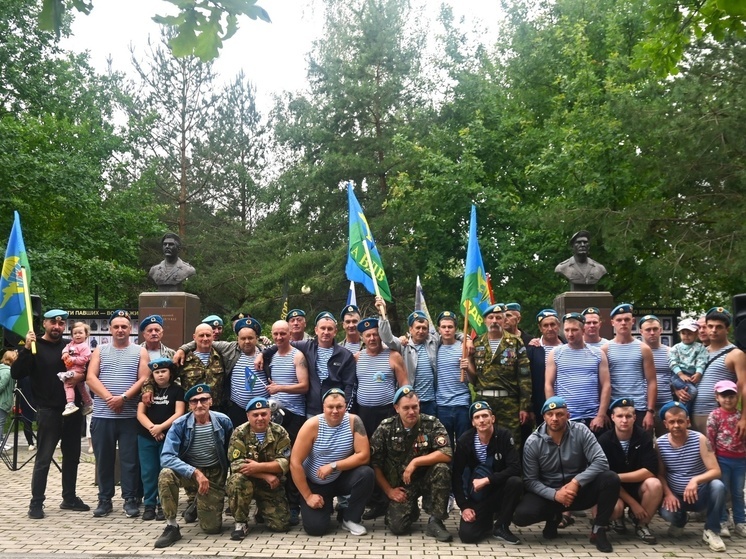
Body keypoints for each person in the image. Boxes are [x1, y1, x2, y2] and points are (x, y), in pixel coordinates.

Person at [513, 396, 620, 552]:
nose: (554, 418)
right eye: (550, 414)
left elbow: (601, 462)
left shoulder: (581, 431)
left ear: (568, 415)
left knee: (610, 478)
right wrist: (555, 495)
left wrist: (576, 482)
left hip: (579, 491)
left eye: (560, 414)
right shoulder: (533, 441)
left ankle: (599, 529)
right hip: (549, 494)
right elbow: (530, 480)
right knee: (521, 516)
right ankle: (553, 517)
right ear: (544, 417)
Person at [11, 309, 90, 519]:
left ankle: (69, 498)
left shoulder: (70, 345)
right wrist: (26, 349)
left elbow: (88, 369)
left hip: (73, 410)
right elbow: (16, 373)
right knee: (44, 458)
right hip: (48, 411)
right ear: (44, 324)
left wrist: (81, 376)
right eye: (53, 323)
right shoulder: (35, 346)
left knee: (72, 456)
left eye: (61, 323)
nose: (57, 327)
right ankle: (36, 502)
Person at [86, 309, 150, 518]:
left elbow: (143, 379)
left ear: (130, 329)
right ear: (111, 329)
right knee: (103, 459)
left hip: (129, 416)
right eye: (116, 326)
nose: (120, 330)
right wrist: (109, 399)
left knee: (130, 460)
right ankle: (104, 499)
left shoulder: (140, 351)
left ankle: (130, 499)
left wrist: (122, 398)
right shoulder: (100, 351)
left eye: (124, 326)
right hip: (103, 415)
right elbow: (91, 378)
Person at [369, 386, 454, 541]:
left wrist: (416, 461)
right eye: (406, 408)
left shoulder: (431, 423)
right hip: (403, 486)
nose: (411, 412)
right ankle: (411, 510)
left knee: (442, 469)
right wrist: (389, 491)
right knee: (397, 527)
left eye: (415, 407)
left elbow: (446, 453)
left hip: (426, 480)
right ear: (396, 408)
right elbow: (375, 464)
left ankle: (436, 521)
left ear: (419, 405)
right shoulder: (386, 428)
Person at [154, 384, 233, 548]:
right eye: (194, 401)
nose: (199, 405)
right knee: (166, 474)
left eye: (203, 400)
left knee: (211, 529)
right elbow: (166, 457)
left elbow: (231, 454)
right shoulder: (179, 425)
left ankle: (197, 504)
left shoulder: (224, 422)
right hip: (190, 474)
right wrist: (195, 472)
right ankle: (172, 526)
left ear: (210, 401)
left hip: (214, 475)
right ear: (189, 405)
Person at [290, 388, 374, 536]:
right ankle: (323, 506)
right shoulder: (311, 425)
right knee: (315, 529)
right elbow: (295, 463)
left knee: (366, 473)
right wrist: (308, 496)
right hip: (316, 483)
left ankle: (350, 519)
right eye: (330, 407)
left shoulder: (354, 421)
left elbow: (364, 456)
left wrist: (334, 466)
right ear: (323, 407)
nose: (335, 411)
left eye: (339, 407)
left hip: (339, 477)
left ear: (345, 406)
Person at [657, 401, 727, 552]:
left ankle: (712, 531)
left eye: (680, 421)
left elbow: (716, 470)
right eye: (672, 422)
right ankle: (680, 521)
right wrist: (668, 494)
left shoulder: (700, 439)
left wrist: (695, 480)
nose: (676, 425)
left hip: (700, 494)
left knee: (718, 485)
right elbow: (660, 474)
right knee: (667, 512)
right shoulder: (660, 444)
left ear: (688, 422)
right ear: (665, 424)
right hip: (676, 497)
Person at [175, 318, 267, 428]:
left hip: (259, 409)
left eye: (250, 338)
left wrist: (264, 352)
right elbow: (204, 341)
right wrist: (182, 349)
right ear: (237, 339)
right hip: (230, 409)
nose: (247, 341)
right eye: (243, 338)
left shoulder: (266, 352)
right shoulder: (229, 349)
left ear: (257, 338)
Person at [260, 312, 356, 417]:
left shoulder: (345, 355)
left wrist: (345, 409)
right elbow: (282, 342)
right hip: (312, 409)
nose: (326, 332)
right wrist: (262, 354)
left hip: (335, 410)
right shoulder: (307, 346)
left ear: (335, 332)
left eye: (330, 329)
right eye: (322, 328)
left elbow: (349, 386)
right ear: (316, 330)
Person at [452, 401, 523, 544]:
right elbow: (456, 476)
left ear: (493, 419)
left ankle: (501, 526)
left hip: (500, 491)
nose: (482, 420)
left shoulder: (503, 435)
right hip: (478, 495)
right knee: (467, 536)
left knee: (516, 482)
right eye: (477, 417)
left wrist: (488, 480)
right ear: (472, 422)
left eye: (485, 416)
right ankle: (486, 522)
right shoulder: (465, 441)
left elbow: (515, 468)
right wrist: (464, 506)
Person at [226, 397, 292, 540]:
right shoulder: (240, 433)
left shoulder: (279, 432)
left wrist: (257, 467)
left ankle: (261, 510)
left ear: (270, 414)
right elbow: (236, 464)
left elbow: (284, 462)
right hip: (248, 481)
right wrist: (265, 474)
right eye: (255, 415)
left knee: (281, 525)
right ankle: (241, 523)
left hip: (271, 485)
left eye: (264, 414)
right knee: (236, 480)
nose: (260, 418)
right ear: (248, 416)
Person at [598, 398, 662, 544]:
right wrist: (633, 503)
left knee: (654, 484)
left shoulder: (644, 437)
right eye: (620, 416)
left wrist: (616, 477)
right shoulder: (604, 440)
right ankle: (617, 519)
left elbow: (650, 471)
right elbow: (603, 478)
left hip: (637, 485)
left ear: (635, 417)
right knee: (615, 509)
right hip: (614, 489)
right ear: (612, 417)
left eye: (628, 416)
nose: (624, 420)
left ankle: (641, 525)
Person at [265, 319, 310, 525]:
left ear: (290, 334)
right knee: (276, 458)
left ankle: (294, 505)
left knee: (292, 460)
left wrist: (280, 388)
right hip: (275, 416)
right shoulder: (271, 356)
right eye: (276, 334)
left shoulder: (297, 356)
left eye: (283, 333)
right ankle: (274, 503)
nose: (279, 337)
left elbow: (304, 386)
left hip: (295, 415)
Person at [471, 303, 531, 446]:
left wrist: (524, 406)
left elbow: (525, 377)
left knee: (511, 443)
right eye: (491, 317)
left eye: (498, 317)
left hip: (509, 402)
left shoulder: (515, 342)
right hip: (484, 401)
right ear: (485, 321)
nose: (494, 321)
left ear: (504, 321)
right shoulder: (477, 342)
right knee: (484, 442)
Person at [136, 358, 185, 522]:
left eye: (163, 371)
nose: (160, 375)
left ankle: (163, 505)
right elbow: (140, 413)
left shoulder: (177, 390)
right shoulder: (147, 391)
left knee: (165, 471)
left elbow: (179, 413)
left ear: (170, 373)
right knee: (148, 472)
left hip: (168, 437)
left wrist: (161, 428)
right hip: (146, 437)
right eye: (157, 372)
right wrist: (153, 429)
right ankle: (149, 504)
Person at [545, 312, 610, 434]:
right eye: (567, 330)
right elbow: (548, 384)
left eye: (574, 330)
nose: (570, 334)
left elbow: (606, 385)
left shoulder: (598, 354)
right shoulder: (555, 353)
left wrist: (601, 415)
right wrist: (553, 412)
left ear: (583, 330)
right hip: (566, 417)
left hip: (592, 418)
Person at [689, 307, 746, 435]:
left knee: (718, 454)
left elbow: (744, 387)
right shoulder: (699, 351)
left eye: (719, 327)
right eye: (710, 326)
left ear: (727, 329)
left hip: (720, 415)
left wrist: (744, 418)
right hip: (693, 413)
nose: (714, 330)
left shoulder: (735, 354)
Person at [602, 303, 657, 431]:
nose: (623, 323)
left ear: (632, 321)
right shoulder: (605, 349)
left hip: (638, 408)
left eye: (627, 320)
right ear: (612, 323)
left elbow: (652, 382)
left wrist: (650, 411)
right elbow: (602, 383)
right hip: (614, 408)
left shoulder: (644, 349)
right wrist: (603, 411)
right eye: (619, 320)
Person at [706, 380, 746, 538]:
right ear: (717, 397)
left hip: (740, 460)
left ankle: (740, 522)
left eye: (731, 396)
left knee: (738, 492)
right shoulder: (714, 416)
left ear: (737, 397)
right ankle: (722, 520)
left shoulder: (741, 416)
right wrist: (712, 459)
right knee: (723, 490)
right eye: (724, 396)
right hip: (722, 459)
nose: (728, 400)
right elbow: (710, 439)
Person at [434, 311, 474, 448]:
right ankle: (448, 470)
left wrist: (468, 368)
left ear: (455, 328)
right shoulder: (434, 348)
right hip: (442, 405)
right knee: (445, 445)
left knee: (465, 444)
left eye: (450, 327)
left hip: (462, 404)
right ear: (439, 329)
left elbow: (474, 380)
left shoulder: (464, 348)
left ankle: (465, 470)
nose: (446, 330)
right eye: (443, 327)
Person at [528, 308, 564, 421]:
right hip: (541, 404)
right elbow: (527, 379)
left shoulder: (567, 346)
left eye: (553, 324)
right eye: (545, 325)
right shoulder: (532, 349)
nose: (550, 328)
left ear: (558, 326)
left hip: (567, 401)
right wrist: (530, 407)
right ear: (540, 328)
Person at [638, 314, 672, 433]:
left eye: (655, 329)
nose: (652, 333)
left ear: (661, 330)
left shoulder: (670, 352)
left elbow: (676, 377)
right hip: (642, 405)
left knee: (666, 442)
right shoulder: (636, 352)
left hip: (665, 404)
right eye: (648, 330)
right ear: (641, 331)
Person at [669, 317, 708, 414]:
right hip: (678, 375)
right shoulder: (675, 348)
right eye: (683, 333)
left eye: (689, 333)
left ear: (696, 334)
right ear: (680, 334)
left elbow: (701, 360)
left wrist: (699, 372)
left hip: (693, 375)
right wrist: (681, 374)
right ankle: (684, 413)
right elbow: (673, 361)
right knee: (692, 391)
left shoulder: (699, 347)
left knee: (689, 392)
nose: (686, 336)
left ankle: (682, 410)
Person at [58, 321, 93, 416]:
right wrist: (65, 354)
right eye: (75, 333)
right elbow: (65, 349)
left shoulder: (85, 347)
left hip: (78, 370)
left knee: (68, 384)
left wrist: (72, 359)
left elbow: (85, 359)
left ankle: (70, 403)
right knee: (81, 388)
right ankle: (88, 403)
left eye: (80, 333)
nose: (78, 335)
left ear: (86, 335)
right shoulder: (71, 344)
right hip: (70, 369)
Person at [0, 349, 18, 450]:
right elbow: (1, 386)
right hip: (2, 402)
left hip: (3, 402)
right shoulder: (7, 372)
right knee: (0, 423)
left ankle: (2, 442)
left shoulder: (4, 370)